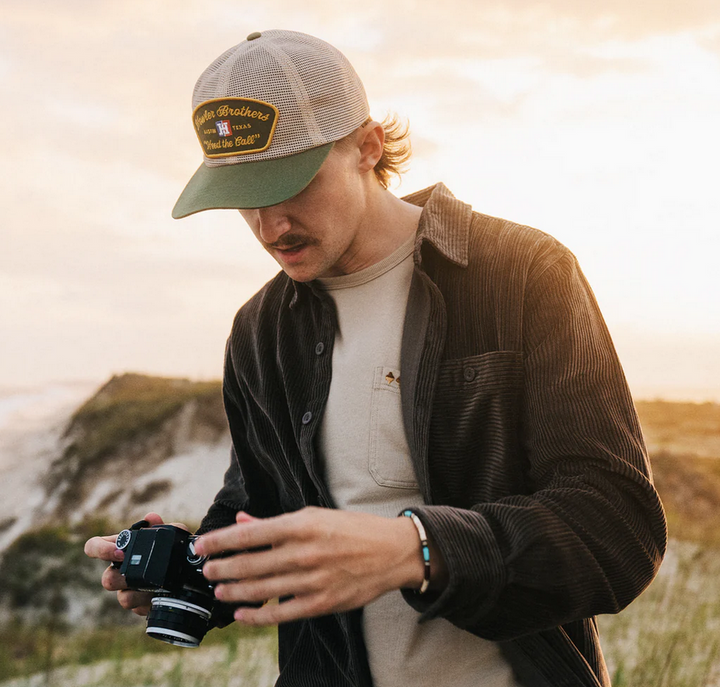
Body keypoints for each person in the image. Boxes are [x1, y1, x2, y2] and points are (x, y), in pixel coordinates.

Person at [85, 29, 667, 687]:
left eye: (293, 183)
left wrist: (418, 549)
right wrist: (191, 567)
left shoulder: (524, 273)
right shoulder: (259, 330)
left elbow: (615, 525)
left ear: (368, 146)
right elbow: (259, 512)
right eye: (246, 194)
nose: (271, 225)